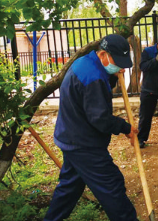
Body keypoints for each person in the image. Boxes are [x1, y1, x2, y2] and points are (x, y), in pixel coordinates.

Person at [44, 34, 139, 221]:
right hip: (84, 145)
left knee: (69, 188)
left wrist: (113, 75)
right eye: (117, 62)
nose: (119, 67)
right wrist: (125, 127)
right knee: (112, 186)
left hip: (71, 136)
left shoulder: (84, 62)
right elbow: (101, 119)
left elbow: (92, 91)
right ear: (103, 54)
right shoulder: (93, 77)